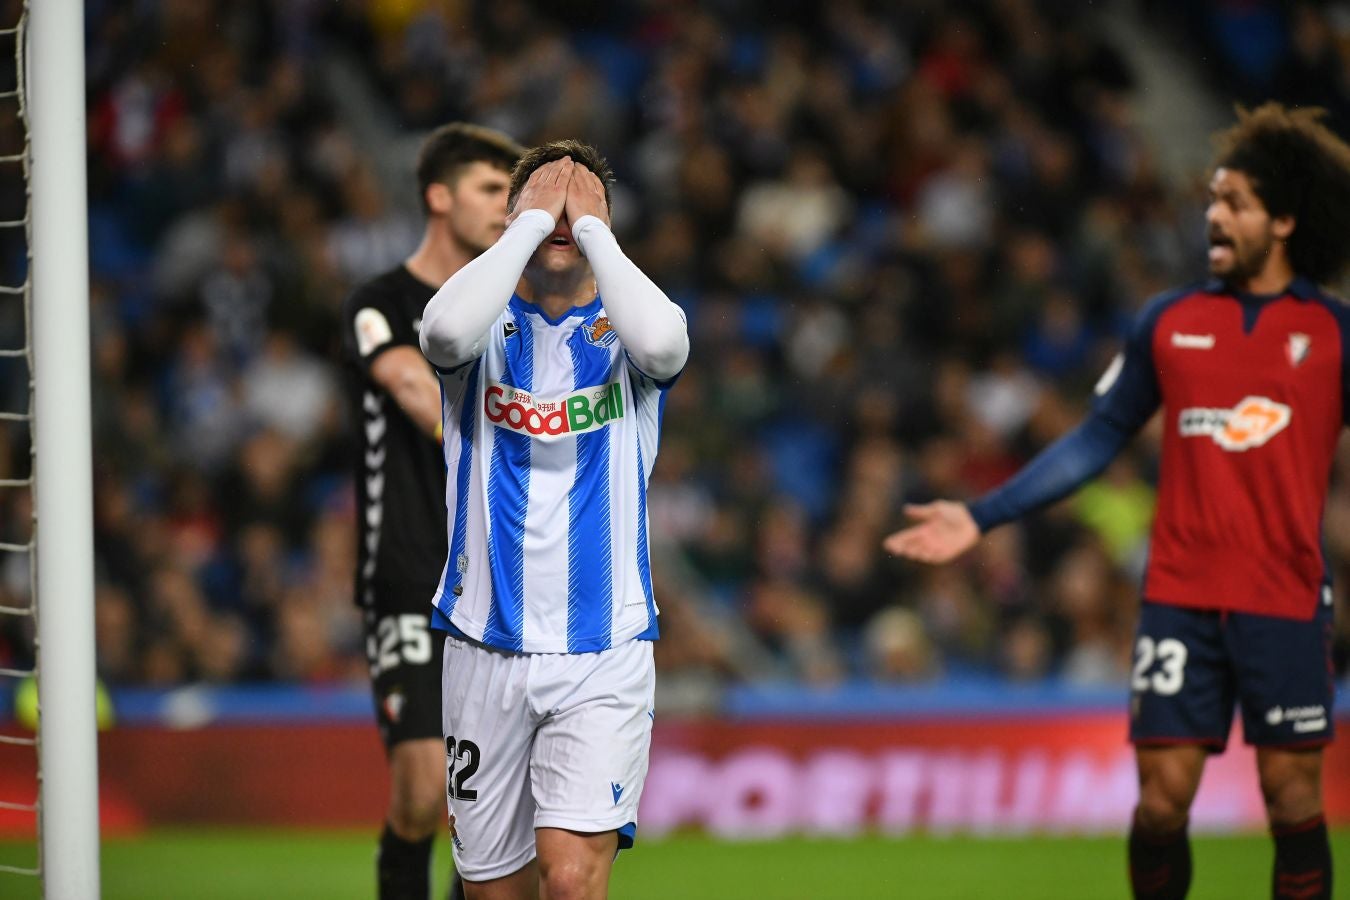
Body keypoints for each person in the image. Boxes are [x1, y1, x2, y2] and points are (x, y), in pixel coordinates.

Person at [883, 103, 1349, 900]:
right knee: (1162, 803)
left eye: (1235, 201)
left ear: (1284, 220)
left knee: (1293, 798)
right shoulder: (1168, 323)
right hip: (1179, 598)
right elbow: (1096, 439)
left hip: (1286, 597)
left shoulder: (1334, 334)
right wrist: (983, 514)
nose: (1214, 214)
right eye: (1212, 197)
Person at [417, 141, 688, 899]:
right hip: (483, 646)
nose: (563, 213)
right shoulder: (483, 326)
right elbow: (439, 335)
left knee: (570, 881)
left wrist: (596, 231)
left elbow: (666, 344)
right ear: (514, 216)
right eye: (545, 202)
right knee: (490, 891)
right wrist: (529, 224)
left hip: (604, 648)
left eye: (580, 204)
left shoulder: (628, 332)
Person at [341, 122, 524, 900]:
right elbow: (419, 391)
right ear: (439, 196)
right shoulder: (380, 302)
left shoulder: (516, 311)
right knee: (422, 793)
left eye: (512, 196)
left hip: (495, 580)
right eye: (490, 190)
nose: (505, 209)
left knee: (487, 809)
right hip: (409, 571)